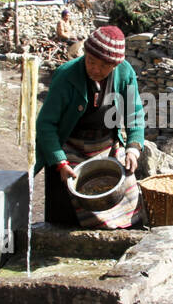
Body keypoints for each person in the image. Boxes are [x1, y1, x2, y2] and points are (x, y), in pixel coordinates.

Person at [35, 25, 145, 228]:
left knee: (127, 204)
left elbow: (134, 114)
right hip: (68, 149)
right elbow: (45, 124)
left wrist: (133, 148)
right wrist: (59, 162)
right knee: (68, 220)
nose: (95, 69)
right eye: (91, 61)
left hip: (106, 145)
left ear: (115, 65)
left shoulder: (125, 73)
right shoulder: (66, 76)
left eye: (104, 66)